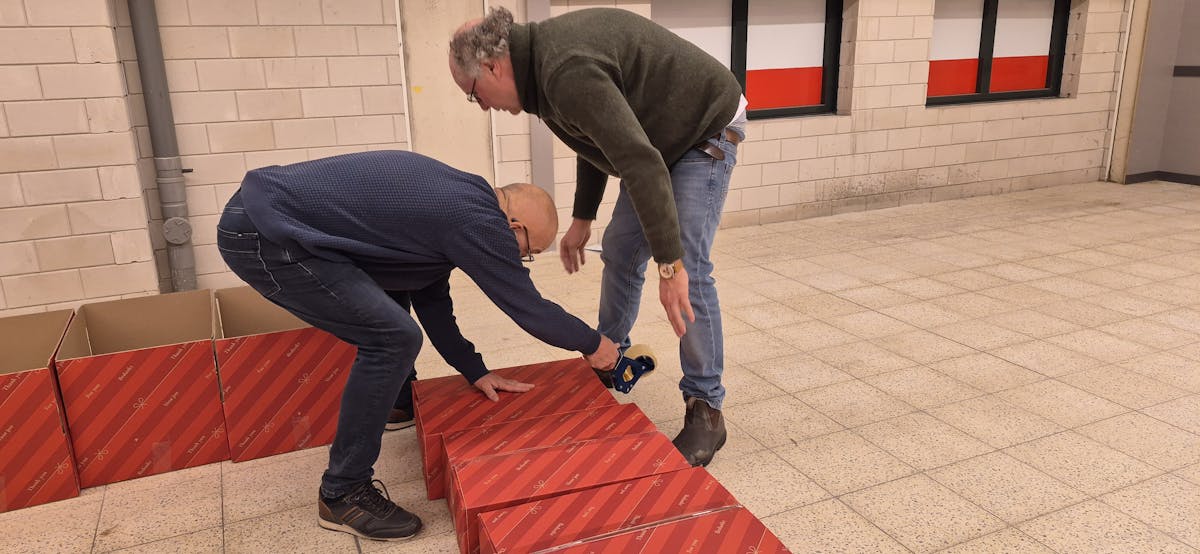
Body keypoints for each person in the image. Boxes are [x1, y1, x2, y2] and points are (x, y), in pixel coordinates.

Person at [216, 150, 619, 542]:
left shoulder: (461, 200)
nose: (518, 259)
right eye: (527, 252)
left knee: (394, 301)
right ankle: (343, 493)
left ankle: (397, 403)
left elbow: (431, 298)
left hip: (267, 213)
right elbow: (527, 307)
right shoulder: (479, 220)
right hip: (267, 235)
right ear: (514, 226)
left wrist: (474, 369)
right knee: (392, 337)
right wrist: (593, 343)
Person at [449, 7, 746, 467]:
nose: (483, 105)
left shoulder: (563, 69)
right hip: (655, 140)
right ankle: (610, 357)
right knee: (621, 250)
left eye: (473, 94)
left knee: (689, 268)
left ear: (492, 67)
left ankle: (705, 406)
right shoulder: (539, 74)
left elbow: (638, 160)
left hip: (701, 129)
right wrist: (583, 217)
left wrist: (670, 267)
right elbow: (597, 136)